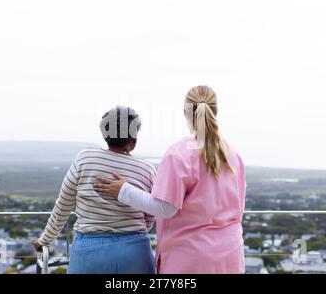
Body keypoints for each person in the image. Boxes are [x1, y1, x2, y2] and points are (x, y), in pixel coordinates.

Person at [94, 85, 247, 274]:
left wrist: (123, 190)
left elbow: (166, 208)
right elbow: (238, 210)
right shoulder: (233, 155)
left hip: (190, 260)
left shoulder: (179, 154)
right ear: (216, 111)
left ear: (185, 113)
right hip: (230, 257)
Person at [33, 106, 156, 274]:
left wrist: (44, 240)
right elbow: (150, 215)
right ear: (133, 141)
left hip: (89, 252)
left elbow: (63, 206)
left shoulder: (84, 159)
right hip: (135, 252)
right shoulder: (147, 170)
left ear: (105, 135)